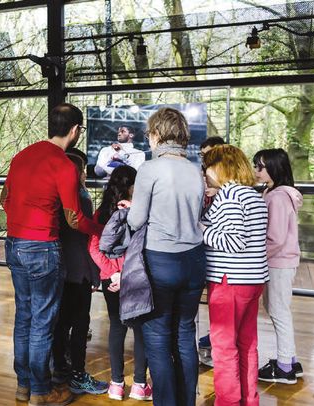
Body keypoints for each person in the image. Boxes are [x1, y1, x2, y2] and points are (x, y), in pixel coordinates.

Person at [1, 103, 103, 406]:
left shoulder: (22, 156)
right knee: (43, 322)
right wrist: (99, 228)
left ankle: (23, 386)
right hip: (43, 246)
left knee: (24, 317)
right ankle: (41, 391)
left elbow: (5, 198)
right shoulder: (64, 165)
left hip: (14, 243)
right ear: (75, 130)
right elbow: (74, 219)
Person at [127, 107, 206, 406]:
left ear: (158, 134)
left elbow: (136, 220)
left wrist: (128, 212)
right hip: (194, 261)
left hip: (161, 260)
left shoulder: (150, 169)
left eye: (149, 133)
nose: (148, 138)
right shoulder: (195, 169)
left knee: (158, 338)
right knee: (185, 334)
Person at [201, 144, 269, 405]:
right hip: (253, 280)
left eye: (208, 166)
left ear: (221, 167)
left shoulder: (229, 195)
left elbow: (233, 241)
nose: (205, 172)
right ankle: (249, 399)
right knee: (247, 344)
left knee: (224, 346)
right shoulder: (252, 195)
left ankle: (228, 401)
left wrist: (199, 229)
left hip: (229, 281)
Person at [89, 165, 152, 401]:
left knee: (117, 327)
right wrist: (124, 274)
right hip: (134, 276)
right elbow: (141, 247)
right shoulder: (139, 213)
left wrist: (112, 273)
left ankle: (116, 384)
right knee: (141, 328)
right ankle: (139, 385)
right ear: (132, 186)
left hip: (110, 280)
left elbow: (93, 247)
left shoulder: (102, 213)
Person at [51, 150, 108, 395]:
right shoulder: (81, 198)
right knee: (80, 323)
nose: (85, 174)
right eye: (83, 169)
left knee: (61, 322)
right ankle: (78, 374)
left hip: (60, 267)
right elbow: (84, 237)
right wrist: (94, 272)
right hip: (79, 270)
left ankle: (59, 368)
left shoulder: (54, 196)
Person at [253, 148, 304, 384]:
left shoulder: (279, 197)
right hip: (279, 261)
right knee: (278, 310)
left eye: (260, 166)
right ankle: (289, 360)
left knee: (278, 311)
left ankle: (285, 367)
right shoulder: (272, 192)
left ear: (274, 168)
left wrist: (256, 257)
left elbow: (275, 237)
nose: (256, 170)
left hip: (278, 263)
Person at [196, 135, 225, 366]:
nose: (205, 159)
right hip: (203, 250)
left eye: (209, 154)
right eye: (203, 154)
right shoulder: (200, 177)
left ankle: (218, 345)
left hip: (222, 258)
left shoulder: (229, 191)